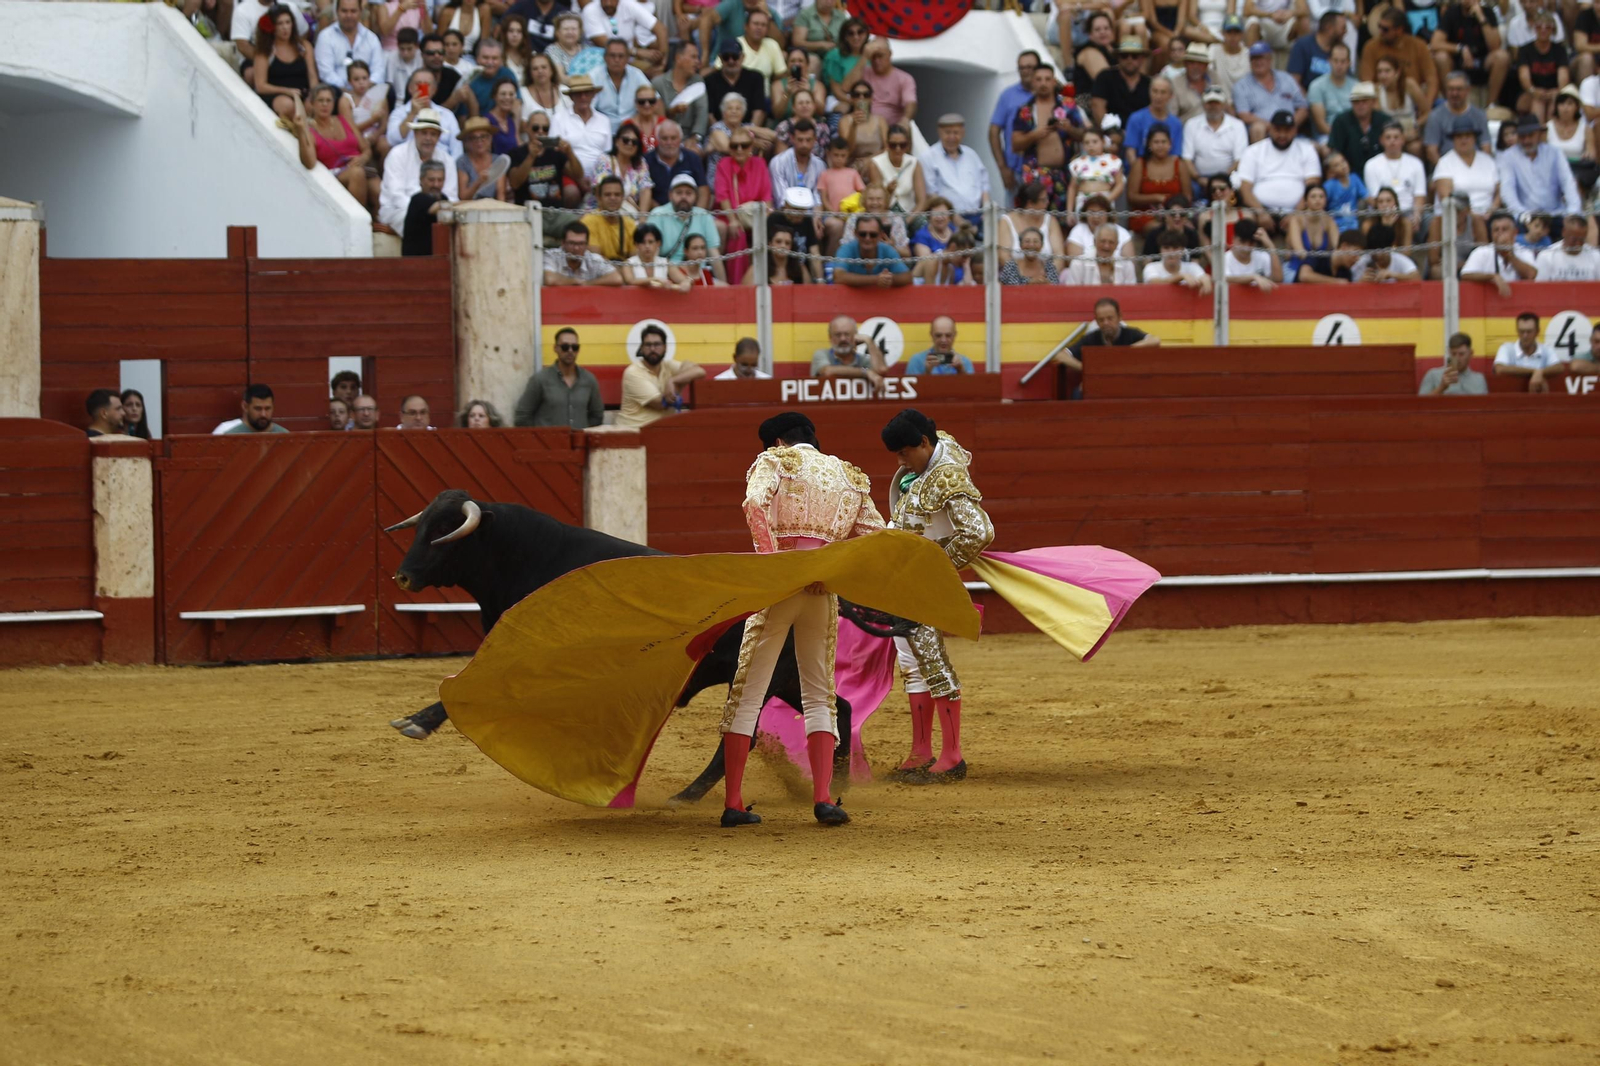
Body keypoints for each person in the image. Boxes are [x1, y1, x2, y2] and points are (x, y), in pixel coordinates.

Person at [719, 412, 885, 827]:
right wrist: (828, 571)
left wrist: (776, 566)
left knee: (748, 690)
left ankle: (734, 804)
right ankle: (824, 800)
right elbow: (877, 536)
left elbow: (754, 503)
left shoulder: (774, 462)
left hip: (779, 587)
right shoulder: (849, 475)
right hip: (820, 591)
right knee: (819, 692)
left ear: (777, 442)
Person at [879, 408, 993, 784]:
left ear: (924, 443)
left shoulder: (946, 475)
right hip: (906, 582)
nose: (900, 461)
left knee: (933, 662)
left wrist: (938, 569)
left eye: (904, 453)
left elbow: (978, 532)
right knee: (912, 663)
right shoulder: (927, 463)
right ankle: (921, 751)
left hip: (926, 583)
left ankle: (952, 755)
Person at [1428, 115, 1499, 272]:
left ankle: (1486, 265)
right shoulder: (1445, 163)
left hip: (1488, 216)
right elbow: (1445, 196)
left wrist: (1492, 210)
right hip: (1457, 217)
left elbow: (1498, 192)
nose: (1464, 140)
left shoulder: (1488, 161)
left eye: (1467, 135)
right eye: (1459, 136)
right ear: (1453, 139)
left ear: (1474, 138)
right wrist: (1470, 214)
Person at [1010, 67, 1085, 213]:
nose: (1043, 83)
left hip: (1064, 174)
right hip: (1035, 175)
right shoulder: (1025, 110)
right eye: (1038, 79)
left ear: (1054, 82)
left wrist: (1069, 129)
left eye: (1047, 79)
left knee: (1064, 220)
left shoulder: (1068, 105)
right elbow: (1015, 144)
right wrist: (1035, 135)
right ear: (1033, 82)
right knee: (1035, 218)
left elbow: (1084, 135)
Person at [1236, 110, 1322, 234]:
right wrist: (1261, 213)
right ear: (1270, 129)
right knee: (1245, 218)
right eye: (1278, 130)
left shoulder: (1307, 150)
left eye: (1287, 130)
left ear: (1295, 130)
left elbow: (1312, 186)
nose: (1282, 135)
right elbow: (1245, 188)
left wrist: (1295, 214)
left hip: (1298, 210)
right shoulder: (1253, 151)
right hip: (1260, 210)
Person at [379, 108, 459, 237]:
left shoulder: (447, 160)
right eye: (424, 133)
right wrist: (425, 210)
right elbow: (396, 196)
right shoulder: (397, 154)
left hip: (437, 210)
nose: (428, 138)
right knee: (421, 222)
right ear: (415, 133)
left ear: (438, 137)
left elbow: (451, 195)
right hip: (398, 210)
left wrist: (435, 210)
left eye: (433, 134)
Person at [615, 323, 705, 428]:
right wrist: (681, 382)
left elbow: (700, 371)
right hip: (634, 433)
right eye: (648, 345)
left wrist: (673, 381)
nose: (652, 349)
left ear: (665, 347)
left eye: (657, 344)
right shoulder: (633, 372)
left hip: (660, 432)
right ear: (642, 348)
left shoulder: (667, 365)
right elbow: (661, 404)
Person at [514, 327, 604, 427]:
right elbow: (522, 417)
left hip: (579, 442)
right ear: (555, 348)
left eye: (574, 347)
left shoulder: (589, 380)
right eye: (565, 347)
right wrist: (541, 439)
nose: (570, 351)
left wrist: (581, 432)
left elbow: (597, 416)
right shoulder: (540, 380)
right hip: (548, 441)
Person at [1499, 112, 1583, 218]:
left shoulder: (1555, 153)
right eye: (1522, 137)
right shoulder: (1509, 156)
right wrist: (1522, 214)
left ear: (1539, 134)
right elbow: (1507, 189)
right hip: (1526, 216)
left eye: (1530, 135)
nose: (1526, 140)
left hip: (1555, 213)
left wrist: (1573, 212)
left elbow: (1567, 182)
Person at [1431, 0, 1510, 109]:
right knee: (1441, 57)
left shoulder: (1487, 12)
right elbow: (1435, 43)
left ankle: (1490, 105)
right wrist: (1460, 48)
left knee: (1502, 57)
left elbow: (1495, 45)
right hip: (1458, 61)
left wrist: (1481, 18)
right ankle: (1449, 101)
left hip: (1482, 60)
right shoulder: (1452, 13)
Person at [1359, 7, 1440, 112]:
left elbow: (1432, 79)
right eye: (1380, 27)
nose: (1380, 32)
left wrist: (1426, 105)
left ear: (1399, 30)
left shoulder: (1418, 45)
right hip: (1382, 101)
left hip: (1413, 99)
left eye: (1385, 29)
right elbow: (1367, 82)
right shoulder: (1371, 47)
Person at [990, 50, 1043, 196]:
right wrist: (1003, 168)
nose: (1026, 71)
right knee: (1014, 217)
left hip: (1045, 169)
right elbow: (993, 131)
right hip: (1015, 171)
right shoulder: (1008, 95)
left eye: (1030, 67)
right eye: (1022, 68)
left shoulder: (1049, 93)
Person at [1059, 296, 1161, 372]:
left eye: (1110, 318)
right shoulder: (1091, 338)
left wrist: (1128, 350)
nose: (1106, 323)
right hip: (1098, 383)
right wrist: (1085, 369)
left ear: (1119, 317)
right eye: (1101, 320)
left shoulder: (1130, 333)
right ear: (1097, 322)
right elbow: (1061, 355)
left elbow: (1155, 340)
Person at [1233, 41, 1308, 141]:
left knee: (1315, 147)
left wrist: (1290, 126)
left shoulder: (1286, 78)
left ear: (1270, 59)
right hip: (1263, 132)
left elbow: (1303, 107)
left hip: (1289, 129)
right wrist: (1273, 127)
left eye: (1261, 57)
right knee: (1257, 128)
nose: (1258, 62)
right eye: (1254, 58)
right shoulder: (1241, 85)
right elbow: (1244, 115)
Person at [920, 114, 989, 219]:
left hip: (977, 215)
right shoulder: (928, 157)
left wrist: (987, 212)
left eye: (956, 133)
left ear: (963, 133)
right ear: (939, 132)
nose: (952, 137)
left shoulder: (971, 155)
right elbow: (931, 195)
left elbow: (985, 186)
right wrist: (957, 220)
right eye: (947, 133)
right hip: (947, 219)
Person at [254, 5, 317, 121]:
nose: (285, 28)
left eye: (288, 23)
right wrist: (286, 91)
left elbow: (312, 76)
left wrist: (312, 96)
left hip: (303, 92)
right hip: (277, 95)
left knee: (319, 103)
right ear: (272, 27)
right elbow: (261, 86)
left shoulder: (304, 46)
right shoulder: (265, 51)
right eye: (280, 24)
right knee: (288, 106)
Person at [1363, 123, 1427, 230]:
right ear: (1381, 140)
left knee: (1431, 222)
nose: (1392, 141)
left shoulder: (1416, 163)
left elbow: (1420, 194)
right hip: (1383, 212)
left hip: (1409, 212)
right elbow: (1376, 198)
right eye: (1388, 137)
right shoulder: (1371, 165)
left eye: (1396, 137)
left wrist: (1417, 216)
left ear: (1403, 139)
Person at [1422, 70, 1492, 166]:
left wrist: (1478, 168)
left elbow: (1486, 146)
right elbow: (1431, 151)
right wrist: (1445, 169)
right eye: (1451, 89)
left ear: (1468, 90)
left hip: (1474, 166)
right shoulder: (1435, 116)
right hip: (1447, 167)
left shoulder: (1479, 115)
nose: (1454, 93)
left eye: (1459, 89)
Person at [648, 173, 722, 263]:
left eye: (688, 193)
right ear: (670, 195)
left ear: (695, 196)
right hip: (667, 270)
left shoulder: (703, 216)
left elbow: (713, 252)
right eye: (679, 192)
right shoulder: (658, 214)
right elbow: (652, 252)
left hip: (698, 271)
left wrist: (721, 278)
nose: (683, 197)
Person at [1460, 211, 1538, 295]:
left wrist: (1509, 255)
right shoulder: (1481, 252)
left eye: (1504, 229)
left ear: (1515, 233)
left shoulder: (1524, 251)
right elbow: (1465, 275)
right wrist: (1493, 277)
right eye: (1496, 230)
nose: (1500, 233)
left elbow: (1531, 275)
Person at [1127, 126, 1189, 232]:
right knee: (1159, 229)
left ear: (1170, 144)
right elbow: (1131, 196)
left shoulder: (1179, 163)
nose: (1160, 146)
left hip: (1176, 214)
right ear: (1149, 144)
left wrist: (1172, 208)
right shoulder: (1140, 164)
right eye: (1156, 142)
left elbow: (1187, 196)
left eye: (1164, 142)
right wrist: (1156, 198)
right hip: (1145, 215)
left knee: (1188, 228)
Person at [550, 74, 613, 176]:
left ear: (593, 95)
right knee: (571, 192)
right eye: (578, 93)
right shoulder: (558, 119)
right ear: (571, 97)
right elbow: (555, 154)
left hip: (601, 174)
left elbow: (607, 153)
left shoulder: (604, 120)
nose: (583, 97)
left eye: (587, 93)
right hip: (569, 172)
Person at [316, 0, 386, 91]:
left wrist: (364, 88)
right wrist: (348, 89)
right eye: (344, 11)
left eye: (353, 11)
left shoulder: (371, 38)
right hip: (337, 92)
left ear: (360, 12)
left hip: (367, 91)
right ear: (337, 12)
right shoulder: (325, 37)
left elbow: (378, 70)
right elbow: (326, 73)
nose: (349, 15)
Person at [1493, 311, 1569, 391]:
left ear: (1537, 331)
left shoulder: (1546, 349)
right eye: (1521, 331)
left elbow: (1559, 367)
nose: (1525, 335)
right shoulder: (1507, 348)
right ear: (1517, 331)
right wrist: (1536, 372)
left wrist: (1539, 372)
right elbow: (1500, 369)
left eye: (1529, 332)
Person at [1516, 10, 1568, 122]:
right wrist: (1533, 90)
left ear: (1553, 30)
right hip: (1531, 92)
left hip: (1553, 91)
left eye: (1547, 27)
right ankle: (1538, 134)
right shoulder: (1525, 50)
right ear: (1535, 28)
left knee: (1555, 100)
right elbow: (1524, 77)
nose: (1543, 30)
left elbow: (1563, 76)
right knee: (1537, 102)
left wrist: (1558, 91)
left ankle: (1549, 134)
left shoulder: (1560, 50)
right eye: (1539, 27)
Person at [1185, 87, 1249, 178]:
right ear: (1203, 105)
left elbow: (1239, 160)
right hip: (1198, 178)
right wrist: (1198, 178)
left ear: (1224, 105)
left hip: (1229, 178)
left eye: (1217, 103)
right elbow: (1186, 158)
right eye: (1209, 103)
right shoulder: (1191, 124)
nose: (1213, 106)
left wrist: (1222, 180)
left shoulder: (1237, 125)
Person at [1328, 81, 1390, 175]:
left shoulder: (1384, 121)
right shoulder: (1341, 122)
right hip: (1350, 173)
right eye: (1356, 102)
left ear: (1373, 102)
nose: (1360, 105)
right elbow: (1335, 151)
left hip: (1382, 171)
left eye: (1364, 101)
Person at [654, 43, 708, 150]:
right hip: (664, 138)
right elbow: (656, 117)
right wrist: (672, 111)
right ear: (678, 58)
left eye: (697, 57)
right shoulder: (658, 83)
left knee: (694, 151)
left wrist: (695, 138)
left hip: (690, 136)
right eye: (693, 57)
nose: (697, 61)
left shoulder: (698, 81)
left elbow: (702, 111)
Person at [832, 215, 911, 288]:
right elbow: (838, 277)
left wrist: (887, 279)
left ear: (880, 235)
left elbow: (907, 277)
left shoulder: (887, 249)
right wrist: (876, 279)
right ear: (855, 233)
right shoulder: (846, 249)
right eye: (863, 234)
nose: (867, 238)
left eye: (873, 234)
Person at [998, 182, 1065, 266]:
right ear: (1030, 204)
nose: (1047, 202)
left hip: (1045, 277)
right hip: (1015, 276)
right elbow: (1003, 256)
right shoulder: (1006, 221)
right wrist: (1019, 277)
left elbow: (1059, 255)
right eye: (1043, 200)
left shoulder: (1051, 220)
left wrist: (1047, 277)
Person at [811, 315, 887, 389]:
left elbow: (881, 370)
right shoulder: (823, 354)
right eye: (838, 335)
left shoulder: (862, 359)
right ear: (830, 338)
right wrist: (865, 372)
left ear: (856, 336)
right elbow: (827, 371)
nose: (843, 339)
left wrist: (869, 341)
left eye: (847, 334)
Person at [644, 120, 708, 207]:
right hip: (656, 214)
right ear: (658, 139)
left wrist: (698, 215)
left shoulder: (693, 158)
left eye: (673, 138)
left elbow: (703, 190)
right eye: (664, 138)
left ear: (680, 139)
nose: (669, 143)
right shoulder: (646, 161)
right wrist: (661, 212)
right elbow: (644, 192)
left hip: (689, 212)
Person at [594, 39, 651, 132]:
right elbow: (589, 108)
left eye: (621, 56)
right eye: (612, 56)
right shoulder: (595, 76)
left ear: (628, 58)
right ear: (605, 58)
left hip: (633, 130)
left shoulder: (636, 74)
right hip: (602, 130)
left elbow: (654, 98)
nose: (617, 60)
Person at [1065, 127, 1125, 214]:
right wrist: (1069, 211)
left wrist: (1107, 200)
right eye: (1086, 142)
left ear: (1103, 142)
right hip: (1083, 202)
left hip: (1105, 201)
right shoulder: (1077, 163)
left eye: (1095, 142)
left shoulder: (1113, 160)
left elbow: (1120, 184)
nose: (1091, 145)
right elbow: (1072, 188)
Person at [543, 219, 623, 285]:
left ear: (587, 245)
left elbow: (616, 278)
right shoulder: (552, 255)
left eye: (581, 244)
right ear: (563, 243)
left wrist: (588, 283)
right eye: (572, 243)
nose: (576, 248)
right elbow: (550, 279)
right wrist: (575, 282)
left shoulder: (594, 259)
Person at [769, 118, 825, 206]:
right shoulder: (778, 162)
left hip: (810, 215)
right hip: (784, 214)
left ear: (815, 140)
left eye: (808, 140)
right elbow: (781, 198)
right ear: (792, 138)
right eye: (800, 140)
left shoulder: (820, 165)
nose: (804, 145)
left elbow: (817, 198)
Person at [581, 175, 638, 260]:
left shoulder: (630, 224)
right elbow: (596, 260)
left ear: (622, 198)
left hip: (625, 270)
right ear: (599, 198)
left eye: (617, 194)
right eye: (608, 195)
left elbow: (635, 259)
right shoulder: (588, 221)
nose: (612, 198)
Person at [401, 160, 451, 254]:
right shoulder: (418, 199)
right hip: (417, 261)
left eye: (440, 180)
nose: (436, 185)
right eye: (431, 180)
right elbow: (435, 208)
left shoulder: (444, 198)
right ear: (421, 180)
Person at [1308, 41, 1355, 139]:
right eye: (1335, 61)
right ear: (1329, 61)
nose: (1339, 65)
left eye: (1343, 61)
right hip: (1327, 136)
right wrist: (1342, 138)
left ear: (1349, 63)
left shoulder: (1356, 86)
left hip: (1353, 134)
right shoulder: (1316, 86)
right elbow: (1321, 125)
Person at [622, 222, 693, 289]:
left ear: (658, 243)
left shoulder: (665, 263)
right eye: (643, 242)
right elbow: (630, 281)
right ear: (636, 245)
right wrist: (655, 279)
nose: (647, 246)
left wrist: (687, 282)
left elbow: (683, 280)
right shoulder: (628, 264)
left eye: (651, 242)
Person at [1143, 227, 1214, 293]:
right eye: (1166, 248)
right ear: (1160, 250)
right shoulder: (1151, 267)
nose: (1171, 253)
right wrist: (1180, 276)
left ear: (1183, 250)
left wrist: (1206, 278)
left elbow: (1203, 277)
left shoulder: (1192, 267)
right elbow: (1155, 283)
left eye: (1175, 248)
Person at [1065, 223, 1139, 285]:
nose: (1106, 246)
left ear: (1117, 244)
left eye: (1111, 242)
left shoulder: (1127, 265)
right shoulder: (1078, 263)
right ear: (1094, 242)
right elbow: (1072, 295)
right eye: (1103, 241)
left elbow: (1131, 294)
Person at [1288, 10, 1346, 89]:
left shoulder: (1341, 50)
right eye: (1343, 28)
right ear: (1329, 28)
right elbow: (1293, 82)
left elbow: (1347, 80)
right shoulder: (1302, 46)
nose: (1346, 32)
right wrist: (1311, 100)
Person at [1222, 216, 1283, 289]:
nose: (1246, 247)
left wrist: (1270, 246)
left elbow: (1278, 279)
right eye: (1242, 241)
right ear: (1233, 239)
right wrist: (1253, 277)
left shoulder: (1261, 256)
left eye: (1251, 243)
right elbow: (1225, 278)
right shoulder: (1224, 258)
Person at [457, 116, 509, 201]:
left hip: (493, 208)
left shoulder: (498, 160)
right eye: (473, 138)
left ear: (490, 139)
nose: (479, 141)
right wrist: (478, 182)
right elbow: (463, 197)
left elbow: (501, 194)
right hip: (470, 208)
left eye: (483, 136)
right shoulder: (462, 161)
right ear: (467, 142)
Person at [1420, 333, 1489, 395]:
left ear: (1470, 353)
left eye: (1461, 354)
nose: (1457, 358)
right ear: (1449, 353)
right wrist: (1441, 388)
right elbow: (1421, 404)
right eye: (1453, 354)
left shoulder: (1479, 379)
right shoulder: (1433, 375)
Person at [1534, 214, 1600, 279]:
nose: (1578, 244)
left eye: (1582, 240)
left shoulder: (1595, 256)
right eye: (1574, 240)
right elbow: (1540, 287)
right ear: (1564, 232)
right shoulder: (1547, 256)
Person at [903, 317, 974, 375]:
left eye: (948, 335)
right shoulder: (917, 361)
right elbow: (915, 391)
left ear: (954, 335)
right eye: (938, 335)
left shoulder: (964, 362)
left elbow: (972, 391)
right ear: (931, 335)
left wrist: (961, 371)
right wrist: (927, 372)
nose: (943, 340)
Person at [1352, 223, 1421, 282]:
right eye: (1374, 251)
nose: (1377, 255)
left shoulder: (1398, 259)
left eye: (1381, 251)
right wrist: (1361, 281)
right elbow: (1350, 284)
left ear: (1390, 248)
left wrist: (1392, 275)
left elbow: (1417, 278)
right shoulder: (1363, 261)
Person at [544, 11, 603, 78]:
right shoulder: (552, 50)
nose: (570, 32)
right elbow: (560, 77)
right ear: (557, 32)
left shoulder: (587, 49)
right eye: (566, 29)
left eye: (574, 29)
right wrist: (582, 83)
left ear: (580, 32)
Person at [1297, 228, 1367, 282]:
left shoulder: (1346, 273)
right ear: (1344, 247)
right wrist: (1336, 282)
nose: (1357, 258)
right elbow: (1304, 275)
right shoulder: (1318, 255)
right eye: (1356, 252)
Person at [224, 384, 290, 434]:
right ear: (245, 407)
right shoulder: (230, 438)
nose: (263, 414)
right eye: (258, 409)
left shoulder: (285, 437)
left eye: (267, 408)